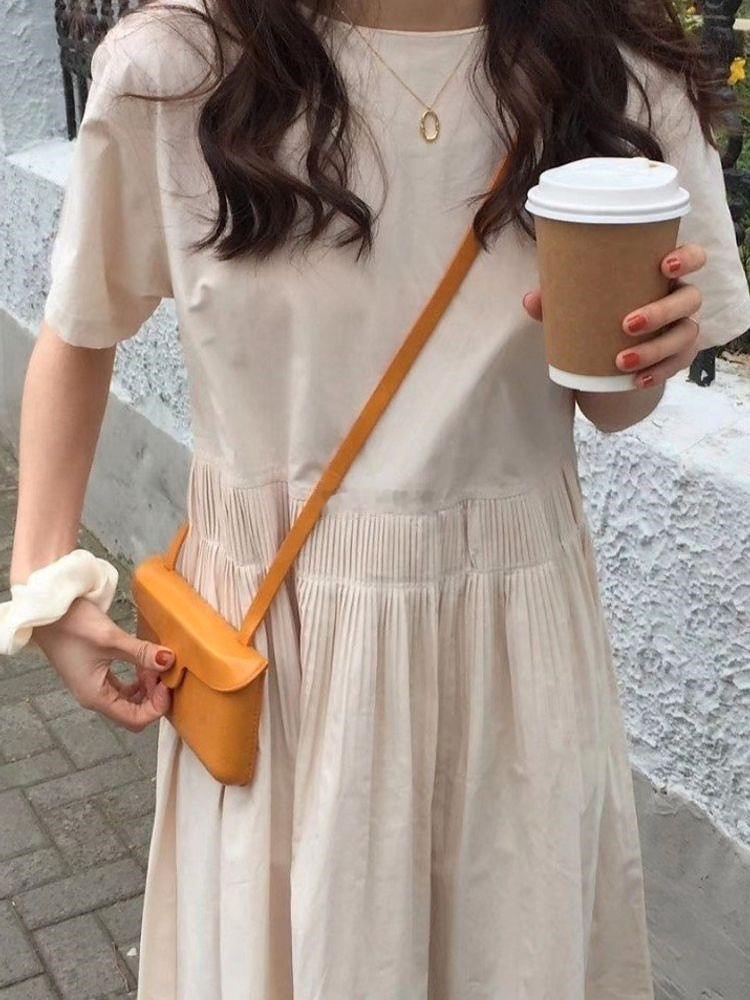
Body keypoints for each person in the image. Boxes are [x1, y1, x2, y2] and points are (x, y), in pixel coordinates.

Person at [3, 1, 750, 997]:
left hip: (511, 650)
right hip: (280, 650)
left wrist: (645, 351)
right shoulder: (178, 69)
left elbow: (613, 406)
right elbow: (80, 325)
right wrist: (43, 582)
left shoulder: (615, 67)